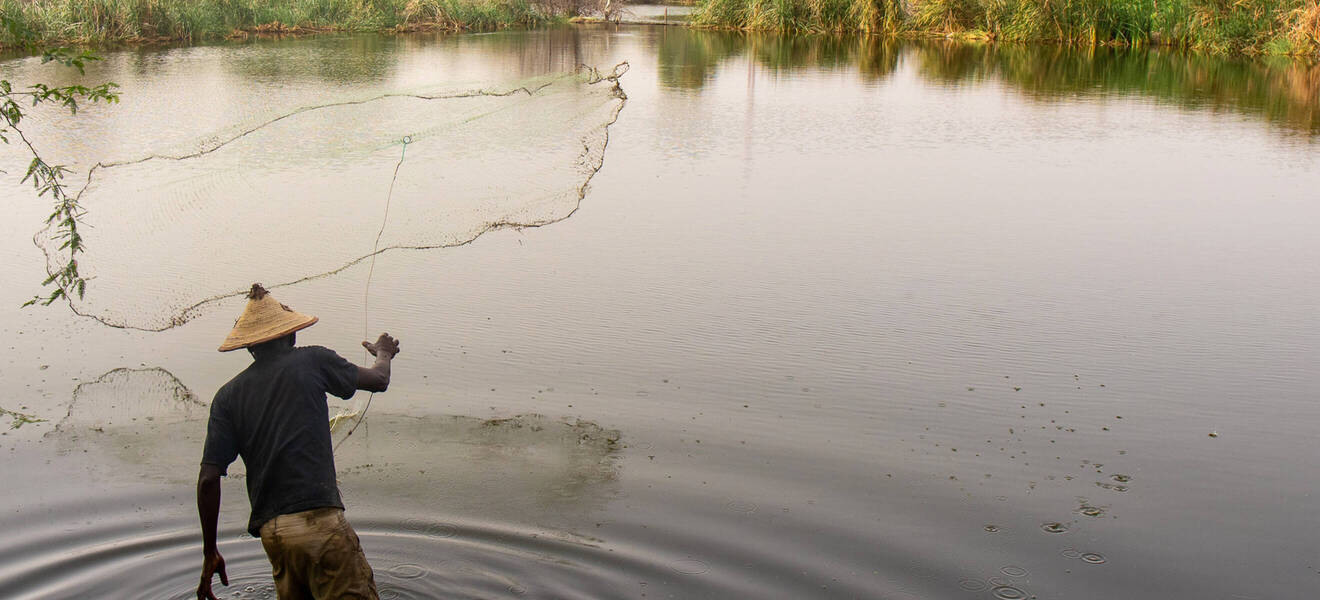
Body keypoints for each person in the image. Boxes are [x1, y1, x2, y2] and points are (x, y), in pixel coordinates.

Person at [197, 283, 400, 600]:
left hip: (274, 535)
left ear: (250, 347)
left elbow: (209, 479)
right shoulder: (312, 361)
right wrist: (384, 352)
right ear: (291, 335)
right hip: (320, 524)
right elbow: (379, 380)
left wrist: (210, 552)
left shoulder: (226, 397)